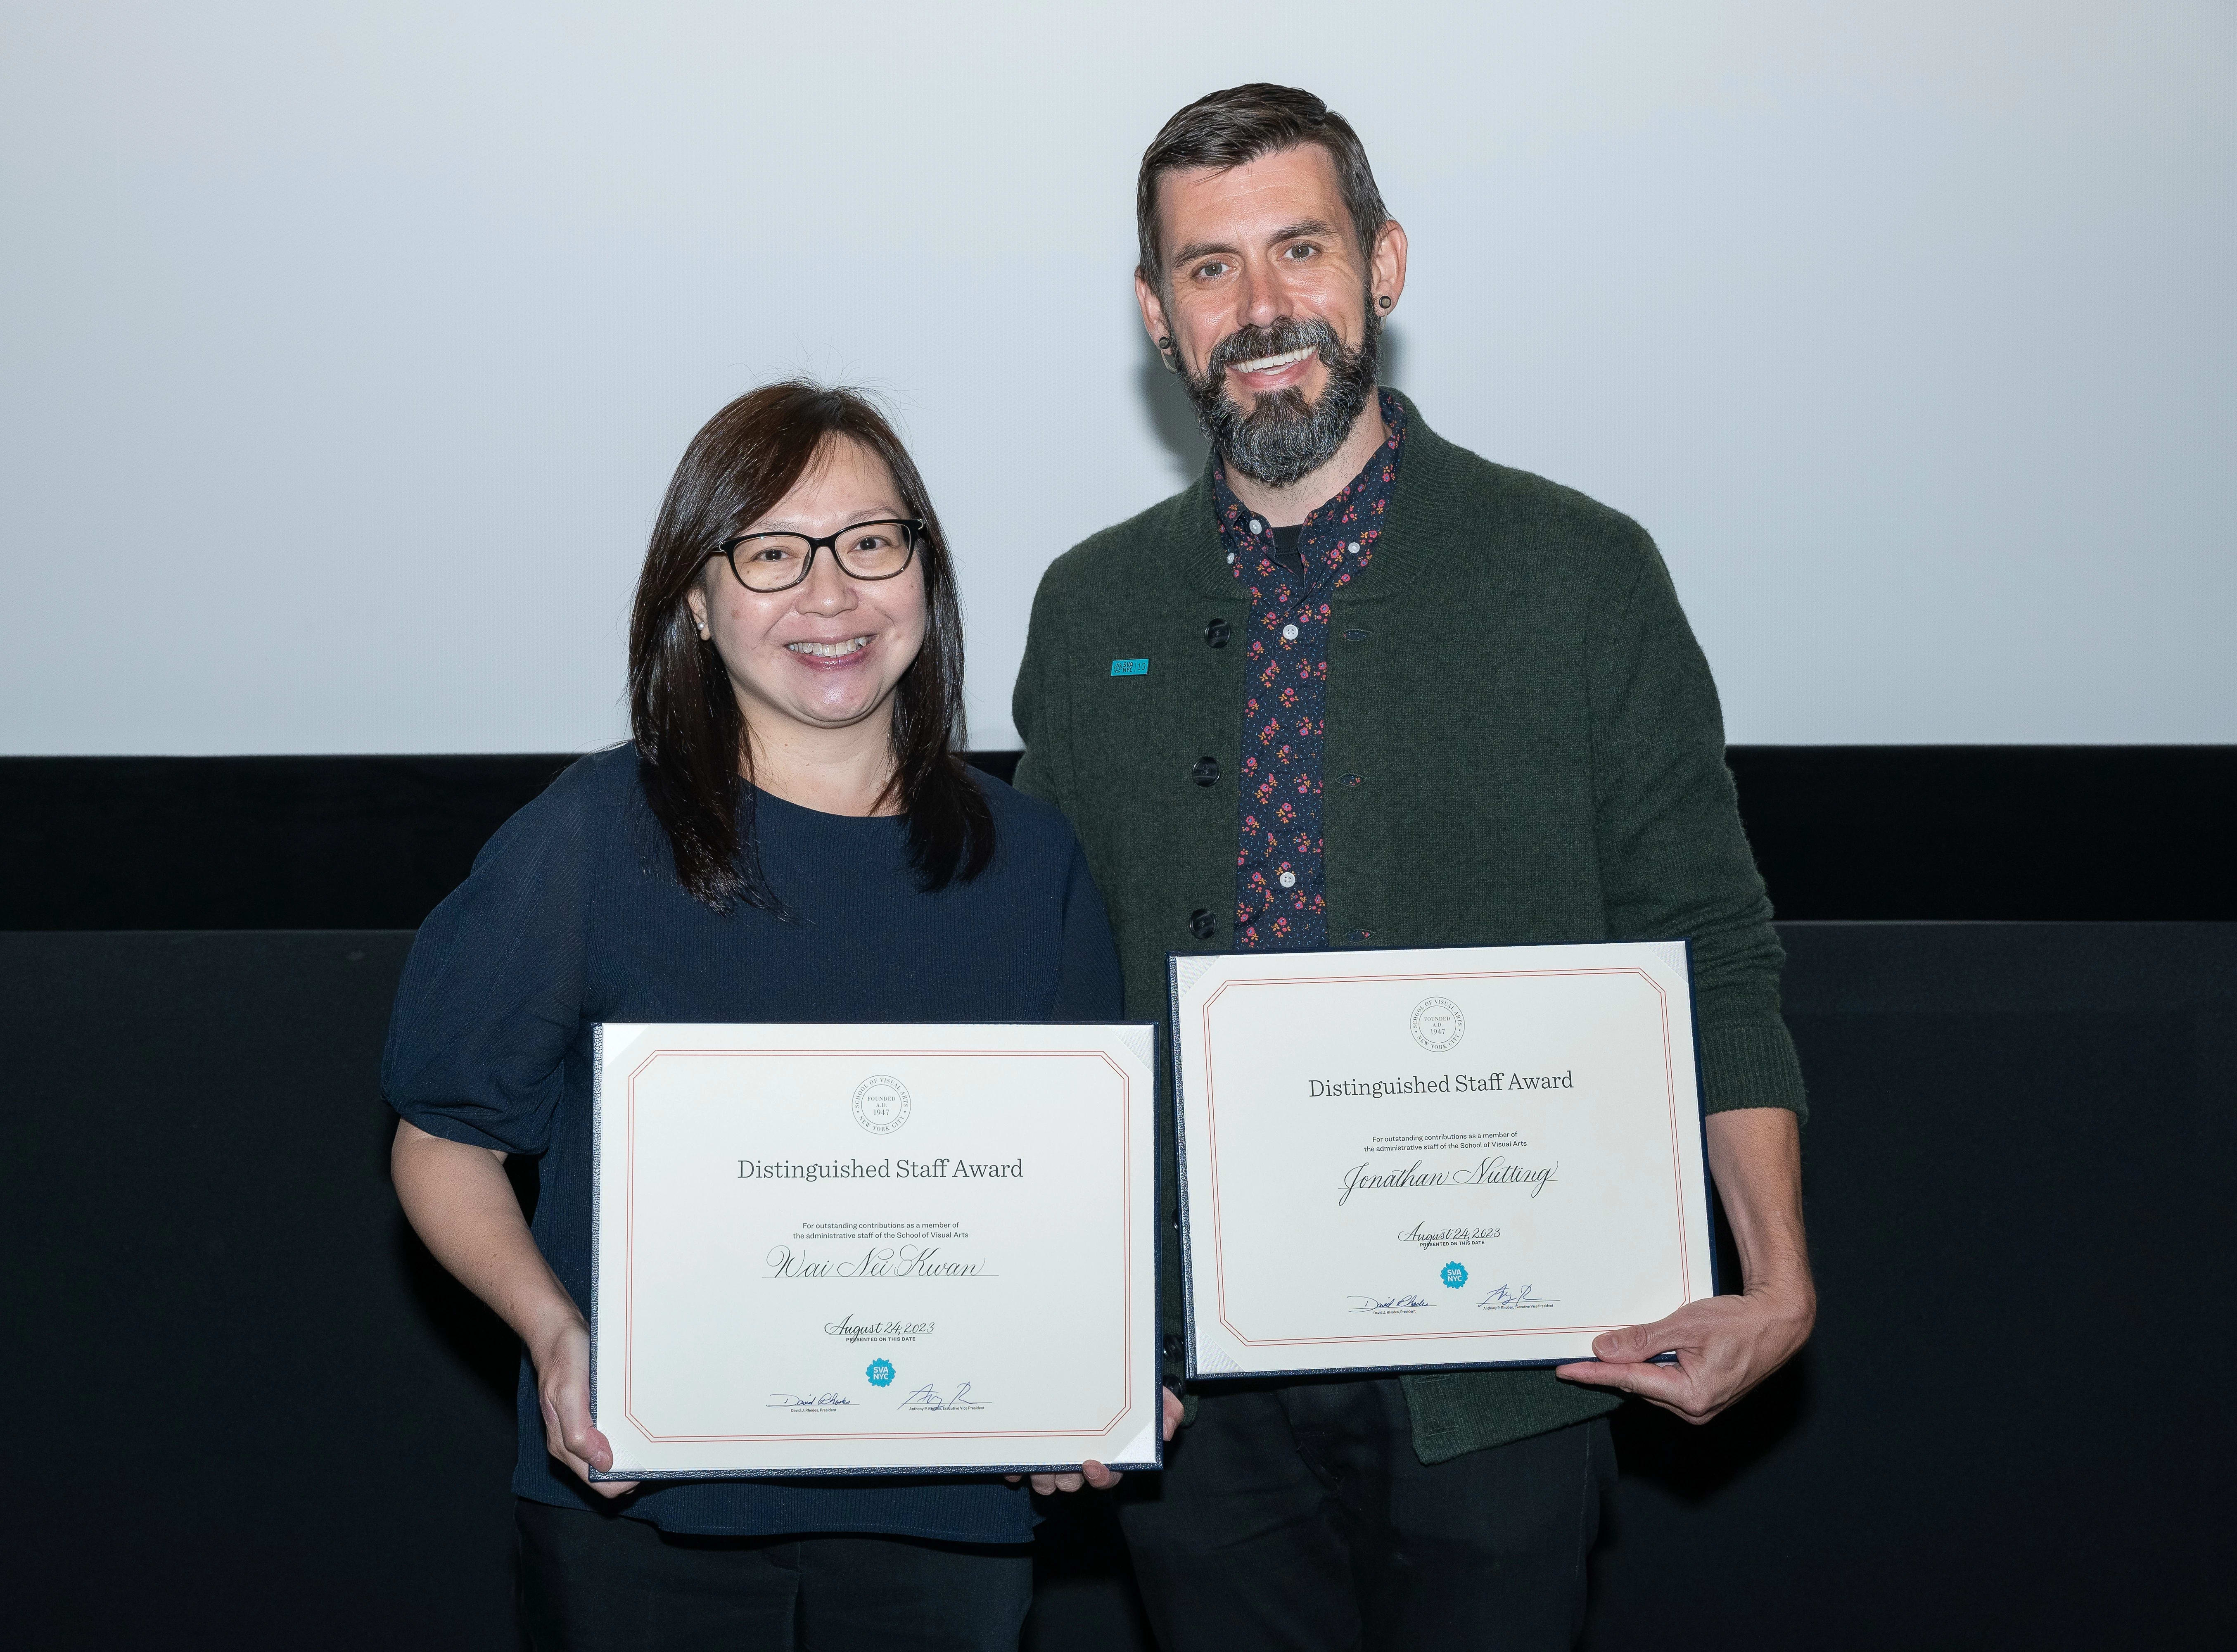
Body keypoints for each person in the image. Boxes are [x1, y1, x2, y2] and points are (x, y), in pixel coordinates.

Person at [1010, 85, 1817, 1650]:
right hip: (1195, 1388)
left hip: (1508, 1366)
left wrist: (1774, 1273)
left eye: (1298, 250)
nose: (1259, 310)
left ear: (1383, 264)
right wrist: (1051, 1317)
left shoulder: (1577, 571)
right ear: (1153, 313)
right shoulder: (1085, 602)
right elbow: (1049, 988)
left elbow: (1705, 935)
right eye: (1208, 268)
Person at [385, 382, 1134, 1651]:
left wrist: (1092, 1378)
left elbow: (1085, 1195)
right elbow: (444, 1140)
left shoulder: (1032, 860)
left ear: (924, 570)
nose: (829, 596)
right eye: (772, 553)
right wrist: (556, 1332)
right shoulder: (587, 837)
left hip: (948, 1510)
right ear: (696, 595)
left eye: (869, 544)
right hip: (645, 1502)